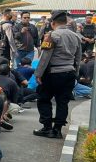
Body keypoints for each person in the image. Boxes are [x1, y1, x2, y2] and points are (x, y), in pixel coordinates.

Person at [34, 10, 81, 139]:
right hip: (69, 73)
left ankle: (47, 127)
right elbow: (78, 57)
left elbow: (45, 57)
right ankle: (57, 130)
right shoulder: (76, 36)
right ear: (66, 22)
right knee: (62, 102)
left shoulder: (52, 35)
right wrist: (75, 73)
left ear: (53, 23)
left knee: (44, 98)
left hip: (53, 73)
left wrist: (38, 74)